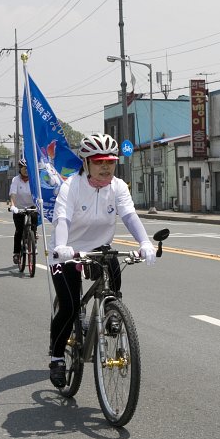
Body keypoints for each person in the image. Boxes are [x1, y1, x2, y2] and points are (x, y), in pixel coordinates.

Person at [47, 133, 157, 387]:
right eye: (98, 162)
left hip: (98, 246)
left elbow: (129, 215)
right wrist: (62, 247)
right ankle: (56, 358)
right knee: (70, 305)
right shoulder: (71, 186)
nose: (105, 167)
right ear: (86, 163)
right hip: (67, 251)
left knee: (114, 268)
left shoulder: (118, 186)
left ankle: (111, 310)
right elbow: (62, 219)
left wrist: (144, 242)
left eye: (110, 161)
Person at [9, 158, 38, 265]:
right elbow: (13, 194)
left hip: (32, 206)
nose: (26, 170)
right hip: (19, 207)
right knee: (19, 231)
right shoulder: (15, 180)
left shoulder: (34, 179)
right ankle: (16, 253)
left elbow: (39, 193)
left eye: (28, 168)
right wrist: (13, 206)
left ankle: (33, 241)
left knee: (33, 224)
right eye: (24, 168)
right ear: (20, 169)